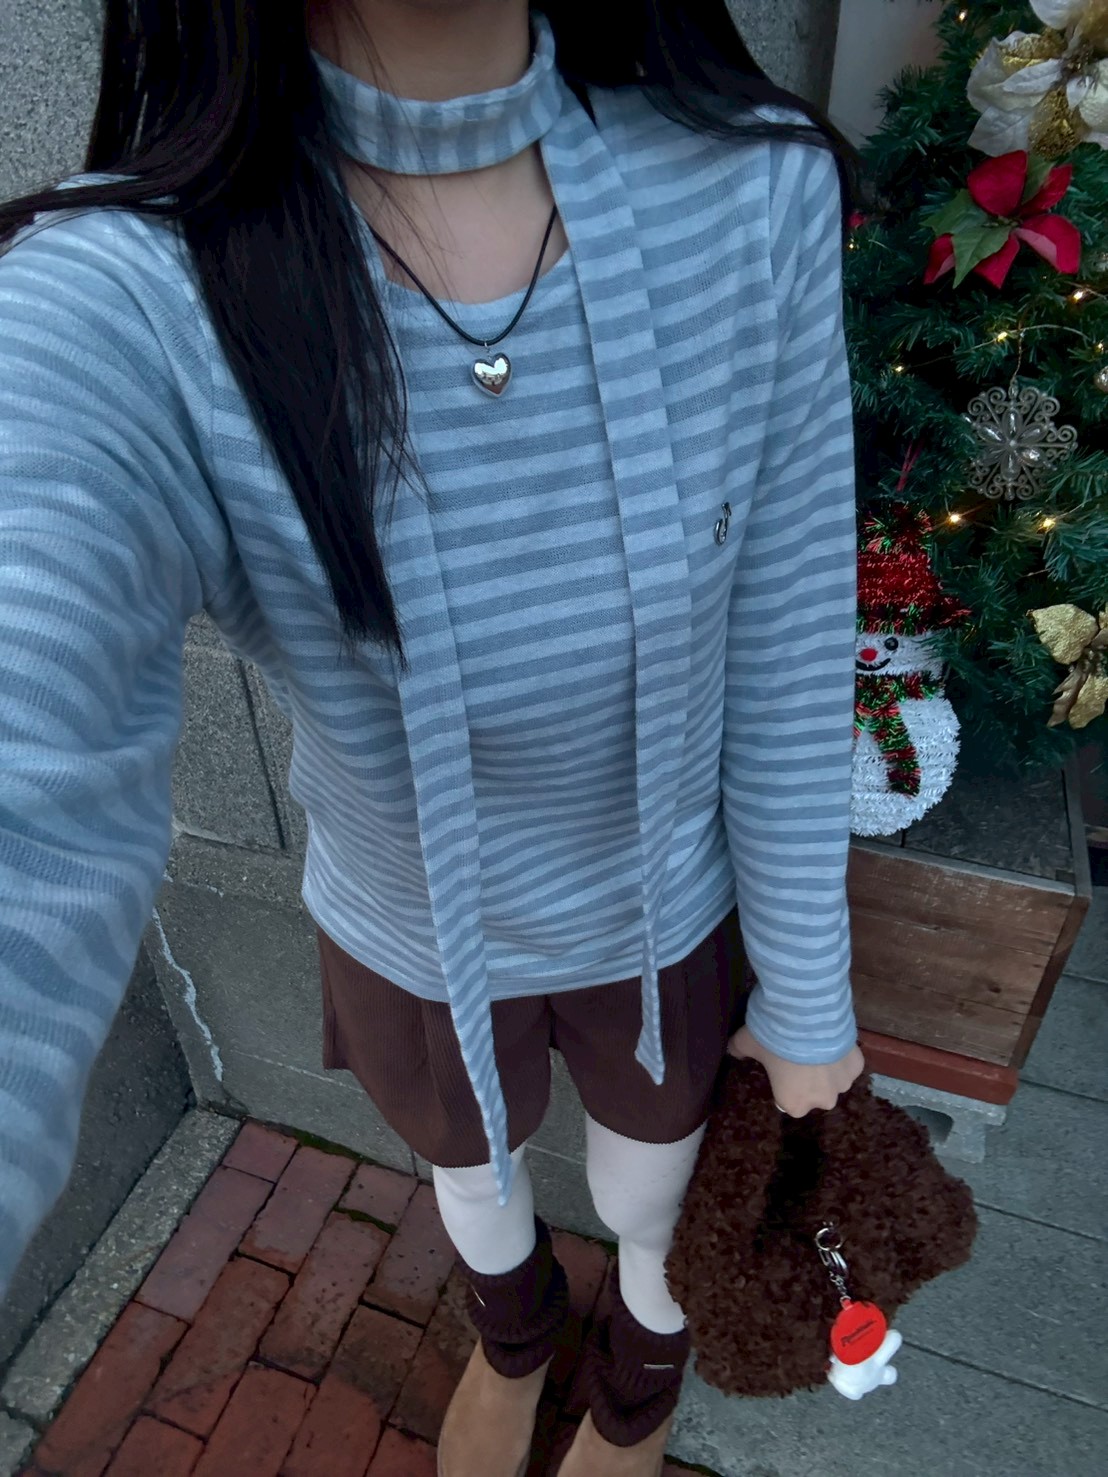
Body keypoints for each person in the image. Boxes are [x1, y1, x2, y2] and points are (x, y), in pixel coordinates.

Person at [0, 1, 866, 1472]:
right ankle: (514, 1336)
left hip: (665, 915)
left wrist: (808, 996)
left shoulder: (754, 190)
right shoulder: (125, 296)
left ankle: (640, 1385)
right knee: (468, 1172)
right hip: (407, 924)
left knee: (660, 1194)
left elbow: (787, 640)